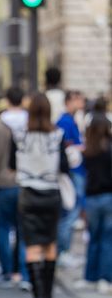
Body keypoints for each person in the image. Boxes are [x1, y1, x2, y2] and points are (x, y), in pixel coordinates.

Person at [10, 93, 70, 298]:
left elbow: (11, 164)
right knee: (50, 245)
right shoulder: (57, 135)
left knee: (32, 246)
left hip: (28, 195)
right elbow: (64, 165)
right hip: (51, 194)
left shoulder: (19, 135)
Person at [0, 87, 30, 289]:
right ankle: (24, 272)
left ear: (7, 100)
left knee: (3, 228)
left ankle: (7, 270)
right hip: (26, 182)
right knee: (23, 230)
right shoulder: (31, 122)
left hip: (4, 182)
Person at [79, 116, 112, 294]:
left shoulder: (89, 150)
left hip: (92, 197)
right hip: (108, 196)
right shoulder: (109, 149)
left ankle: (90, 276)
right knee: (107, 240)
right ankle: (105, 278)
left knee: (93, 238)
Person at [56, 91, 87, 266]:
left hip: (76, 171)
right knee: (70, 211)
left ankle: (63, 250)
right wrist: (81, 147)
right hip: (73, 171)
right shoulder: (65, 121)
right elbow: (67, 146)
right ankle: (63, 251)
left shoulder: (70, 120)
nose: (81, 102)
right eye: (78, 99)